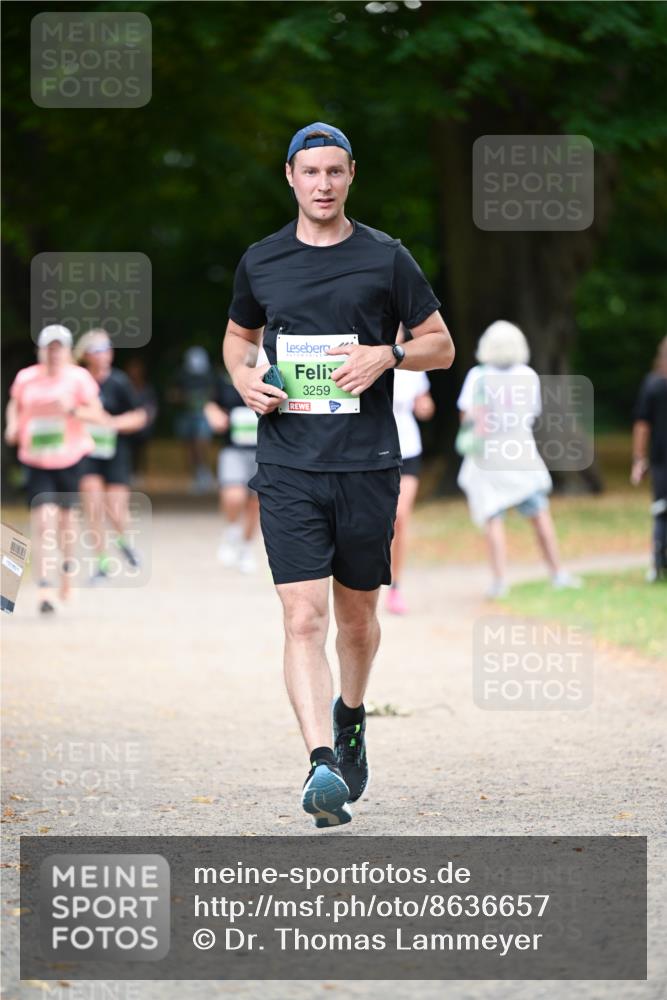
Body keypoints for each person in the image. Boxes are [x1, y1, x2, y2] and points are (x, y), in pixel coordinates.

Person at [223, 122, 454, 827]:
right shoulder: (260, 261)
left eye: (334, 171)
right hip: (288, 462)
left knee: (356, 620)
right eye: (309, 171)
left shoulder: (386, 259)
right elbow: (240, 338)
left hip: (366, 464)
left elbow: (440, 347)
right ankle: (321, 762)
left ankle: (349, 715)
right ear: (288, 176)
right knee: (301, 616)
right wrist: (243, 380)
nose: (322, 184)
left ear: (350, 174)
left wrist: (388, 355)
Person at [457, 320, 581, 599]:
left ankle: (500, 581)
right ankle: (557, 572)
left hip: (488, 455)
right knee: (539, 514)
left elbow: (466, 417)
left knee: (493, 517)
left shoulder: (478, 377)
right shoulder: (528, 376)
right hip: (520, 452)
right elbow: (532, 414)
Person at [4, 325, 106, 612]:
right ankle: (43, 589)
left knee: (65, 524)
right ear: (41, 350)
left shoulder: (79, 378)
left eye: (60, 347)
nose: (55, 353)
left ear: (68, 350)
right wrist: (12, 425)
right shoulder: (27, 377)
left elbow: (98, 415)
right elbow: (15, 405)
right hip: (36, 459)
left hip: (70, 458)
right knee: (42, 521)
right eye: (50, 347)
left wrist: (72, 410)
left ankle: (66, 577)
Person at [74, 330, 148, 583]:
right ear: (85, 354)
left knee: (116, 509)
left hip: (116, 451)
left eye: (107, 348)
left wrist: (113, 423)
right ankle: (102, 562)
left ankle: (123, 540)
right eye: (97, 349)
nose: (104, 353)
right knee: (93, 505)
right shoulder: (78, 380)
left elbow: (140, 416)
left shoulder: (119, 381)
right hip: (87, 451)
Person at [386, 325, 435, 614]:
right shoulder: (362, 359)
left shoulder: (413, 365)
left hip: (407, 449)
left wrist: (425, 406)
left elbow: (423, 401)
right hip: (370, 451)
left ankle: (396, 585)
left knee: (400, 517)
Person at [204, 372, 260, 574]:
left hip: (262, 450)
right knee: (233, 495)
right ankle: (231, 530)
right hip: (233, 448)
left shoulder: (275, 369)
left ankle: (246, 549)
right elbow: (211, 403)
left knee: (255, 503)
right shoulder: (227, 377)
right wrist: (213, 414)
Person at [631, 335, 667, 582]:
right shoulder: (654, 385)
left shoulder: (653, 385)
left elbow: (642, 426)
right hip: (661, 461)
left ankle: (657, 565)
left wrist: (639, 459)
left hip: (661, 461)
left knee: (661, 512)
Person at [168, 346, 217, 494]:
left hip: (203, 414)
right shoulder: (181, 374)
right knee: (189, 446)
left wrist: (205, 400)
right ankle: (195, 475)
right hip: (186, 414)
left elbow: (215, 392)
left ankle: (204, 472)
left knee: (201, 442)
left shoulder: (209, 374)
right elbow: (171, 394)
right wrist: (184, 398)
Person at [123, 356, 158, 485]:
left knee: (140, 444)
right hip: (126, 426)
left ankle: (138, 472)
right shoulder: (124, 387)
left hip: (143, 428)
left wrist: (146, 422)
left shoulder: (147, 388)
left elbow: (152, 409)